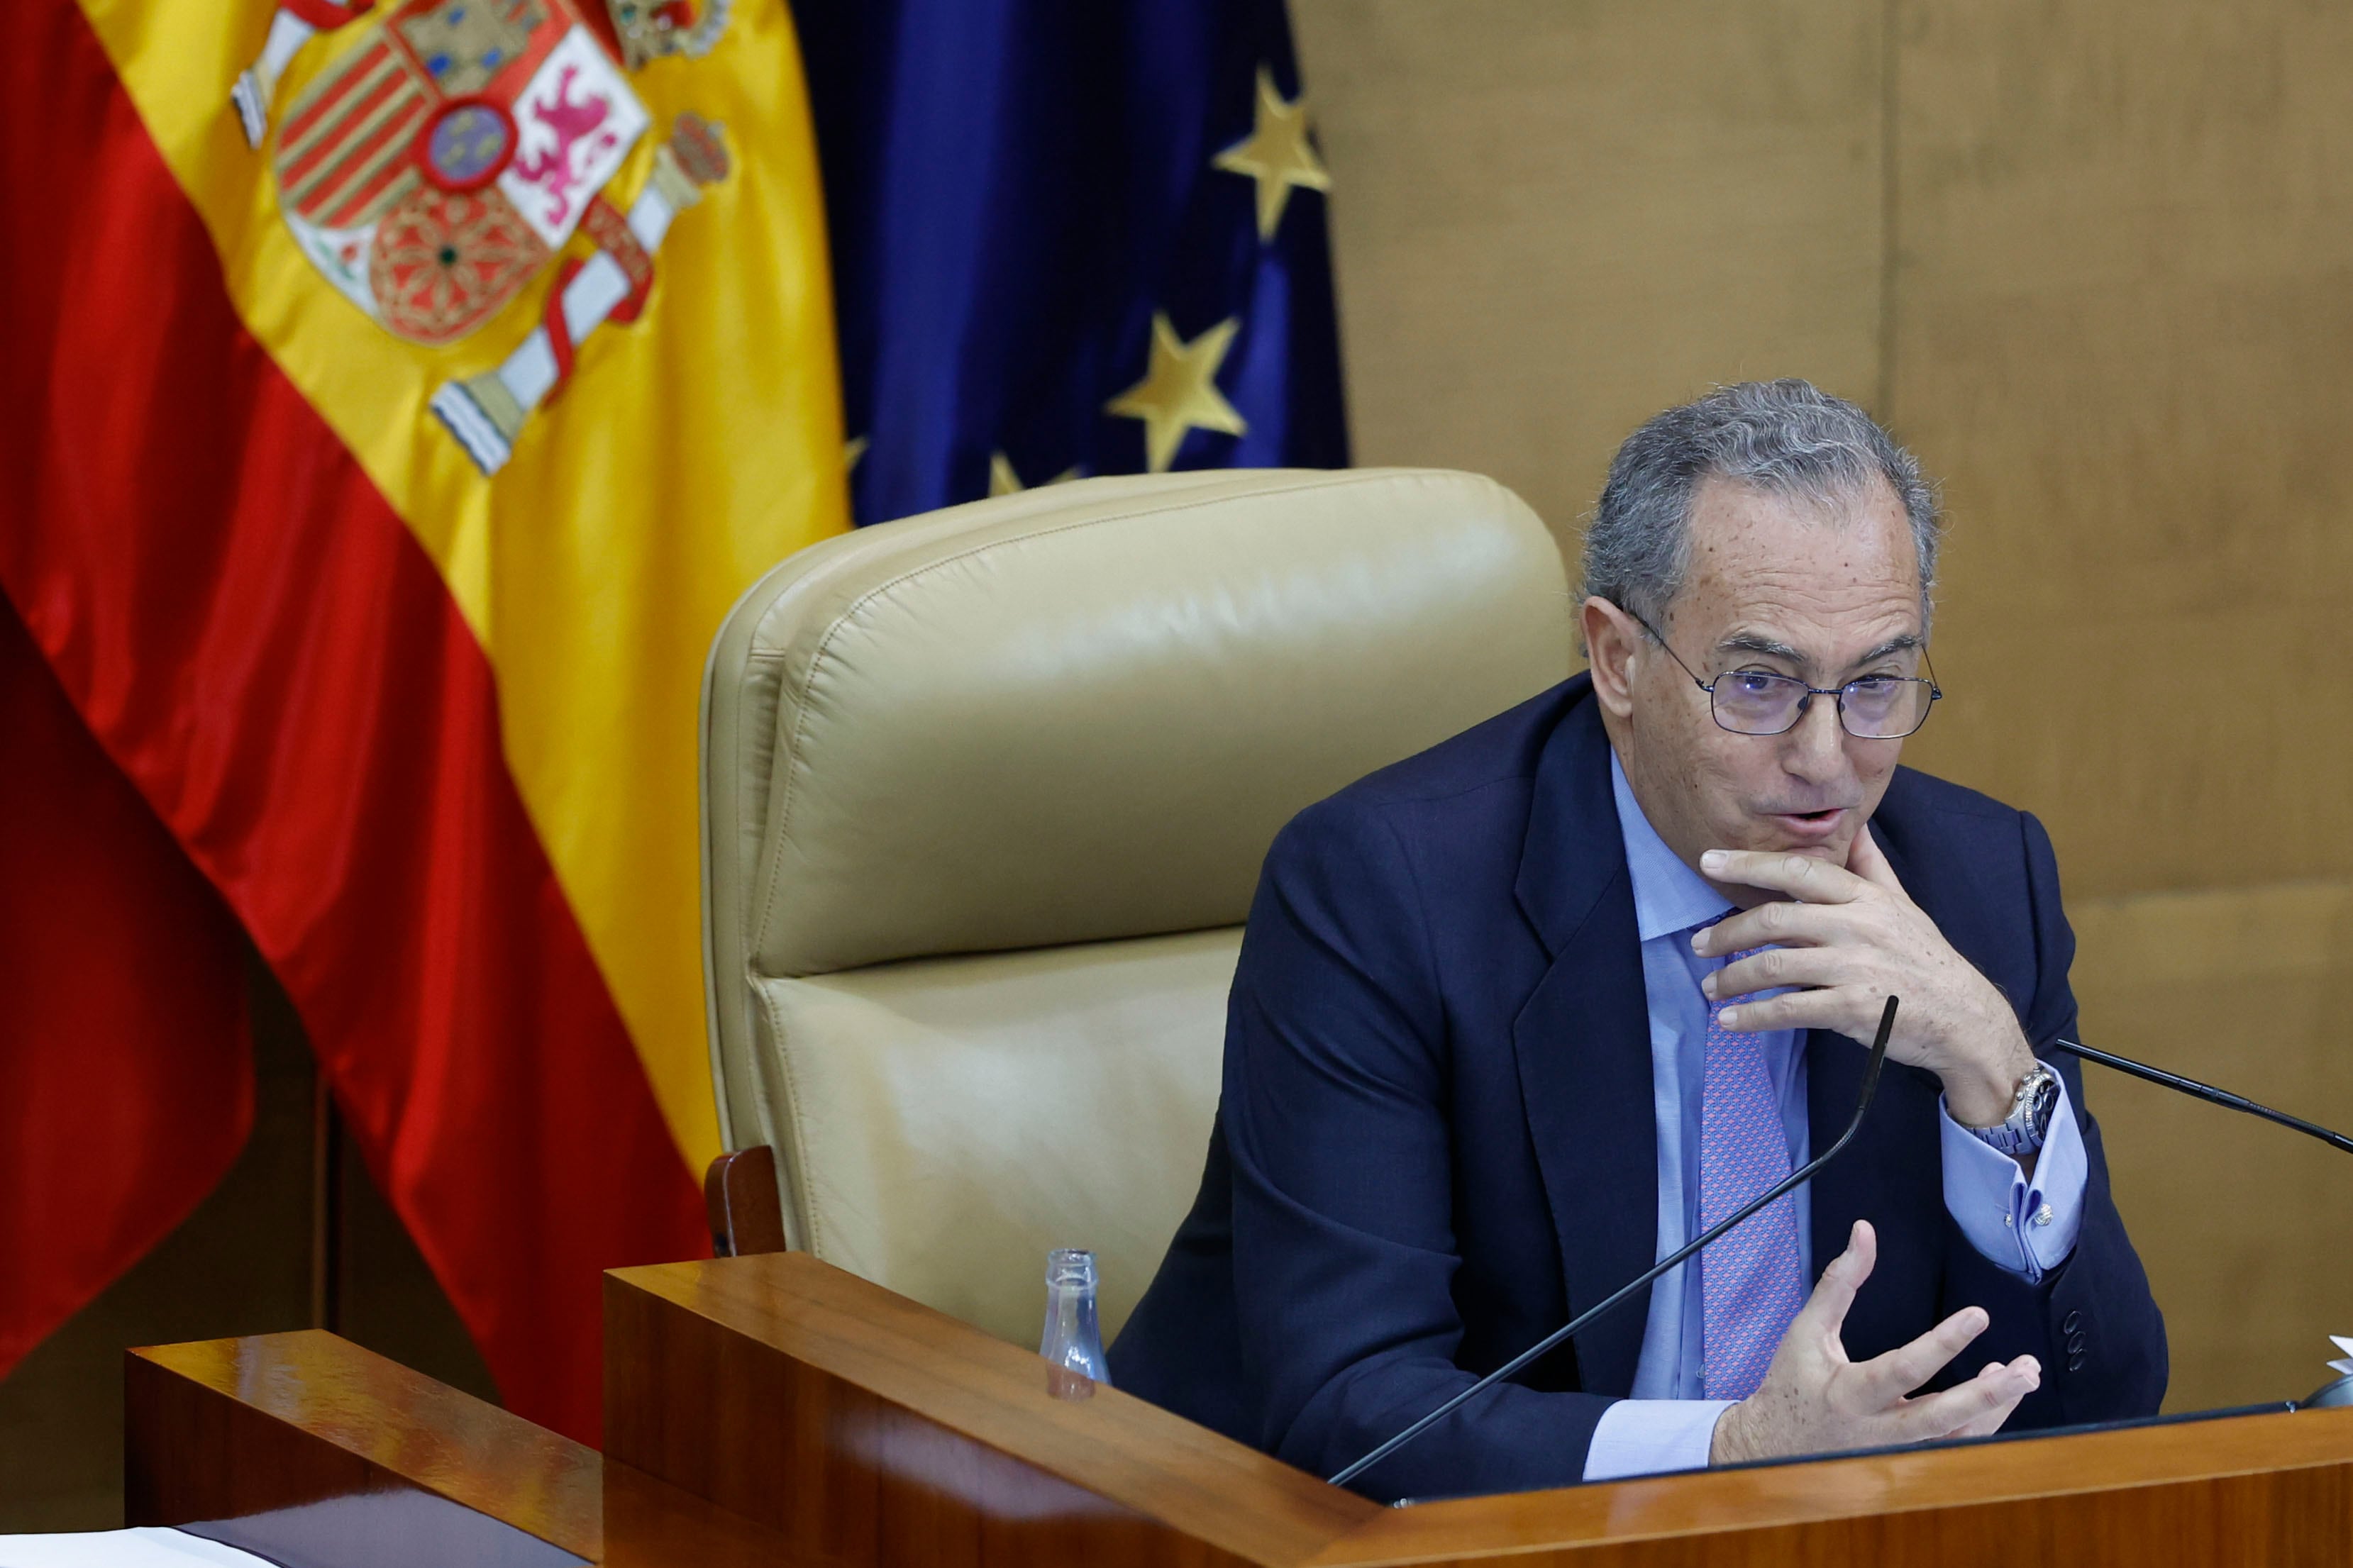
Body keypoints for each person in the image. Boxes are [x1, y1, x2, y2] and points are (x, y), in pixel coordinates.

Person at [1109, 379, 2166, 1501]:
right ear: (1616, 658)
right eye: (1758, 684)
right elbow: (1349, 1411)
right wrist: (1733, 1455)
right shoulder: (1385, 890)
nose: (1825, 759)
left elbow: (2101, 1404)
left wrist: (1995, 1074)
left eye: (1875, 682)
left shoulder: (1972, 881)